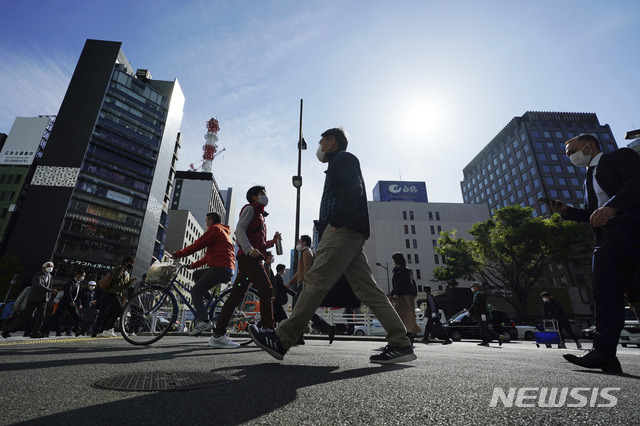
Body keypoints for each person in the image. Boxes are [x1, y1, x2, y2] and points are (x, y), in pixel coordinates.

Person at [249, 127, 416, 364]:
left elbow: (353, 189)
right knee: (368, 289)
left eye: (321, 142)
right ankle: (401, 343)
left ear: (331, 141)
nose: (319, 147)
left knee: (315, 280)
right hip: (349, 232)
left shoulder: (344, 158)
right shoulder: (338, 163)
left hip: (342, 230)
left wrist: (336, 222)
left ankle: (281, 338)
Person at [544, 134, 640, 374]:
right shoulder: (588, 179)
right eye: (567, 155)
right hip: (606, 240)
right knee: (605, 294)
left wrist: (613, 206)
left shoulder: (619, 157)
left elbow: (636, 182)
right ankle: (604, 353)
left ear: (590, 145)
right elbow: (591, 213)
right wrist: (566, 211)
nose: (570, 157)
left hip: (633, 230)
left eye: (572, 151)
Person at [210, 186, 280, 349]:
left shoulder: (260, 215)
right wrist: (248, 249)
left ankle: (218, 334)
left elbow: (260, 244)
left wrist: (273, 241)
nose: (265, 196)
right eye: (262, 193)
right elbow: (239, 229)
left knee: (236, 295)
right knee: (267, 290)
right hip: (249, 259)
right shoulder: (250, 209)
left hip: (250, 258)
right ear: (254, 197)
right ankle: (268, 331)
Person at [172, 212, 235, 338]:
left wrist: (179, 254)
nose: (206, 223)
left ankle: (205, 321)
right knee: (196, 274)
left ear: (210, 221)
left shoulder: (215, 229)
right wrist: (192, 266)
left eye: (206, 220)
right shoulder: (222, 232)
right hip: (224, 267)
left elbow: (198, 245)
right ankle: (209, 300)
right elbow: (207, 257)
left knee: (195, 291)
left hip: (220, 268)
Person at [287, 235, 336, 344]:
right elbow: (300, 271)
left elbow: (307, 271)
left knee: (299, 310)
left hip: (305, 285)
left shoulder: (307, 253)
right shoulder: (304, 252)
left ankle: (300, 336)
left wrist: (305, 286)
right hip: (303, 284)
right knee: (304, 311)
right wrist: (291, 282)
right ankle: (326, 328)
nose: (297, 243)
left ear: (304, 243)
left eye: (299, 241)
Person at [2, 261, 58, 339]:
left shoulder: (50, 277)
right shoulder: (38, 275)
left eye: (52, 266)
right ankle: (6, 330)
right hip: (34, 299)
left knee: (41, 316)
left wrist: (49, 295)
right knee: (24, 316)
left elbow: (49, 285)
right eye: (49, 266)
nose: (51, 268)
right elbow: (39, 285)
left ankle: (35, 332)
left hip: (43, 300)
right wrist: (50, 290)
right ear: (43, 267)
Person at [92, 256, 136, 338]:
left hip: (119, 294)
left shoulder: (127, 273)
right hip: (112, 292)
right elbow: (115, 277)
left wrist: (129, 283)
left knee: (110, 312)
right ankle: (109, 328)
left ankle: (102, 330)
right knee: (119, 309)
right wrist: (121, 269)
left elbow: (123, 286)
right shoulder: (118, 268)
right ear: (126, 262)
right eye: (131, 263)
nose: (132, 265)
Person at [389, 252, 421, 343]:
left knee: (408, 313)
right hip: (400, 294)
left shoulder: (404, 270)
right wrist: (392, 294)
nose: (393, 261)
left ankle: (410, 332)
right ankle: (406, 332)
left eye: (394, 259)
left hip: (406, 294)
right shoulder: (397, 270)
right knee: (400, 313)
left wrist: (395, 294)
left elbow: (401, 283)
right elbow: (396, 285)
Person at [43, 270, 85, 337]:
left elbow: (78, 296)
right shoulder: (70, 283)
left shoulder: (79, 284)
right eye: (82, 275)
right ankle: (44, 331)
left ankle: (78, 331)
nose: (82, 277)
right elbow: (68, 293)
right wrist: (71, 301)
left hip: (73, 304)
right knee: (55, 317)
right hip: (65, 303)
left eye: (83, 276)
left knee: (76, 316)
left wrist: (79, 304)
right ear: (77, 275)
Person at [467, 282, 503, 347]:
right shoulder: (476, 295)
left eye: (473, 287)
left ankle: (486, 342)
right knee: (484, 328)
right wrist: (469, 311)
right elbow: (474, 305)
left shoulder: (479, 295)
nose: (472, 288)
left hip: (483, 315)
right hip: (480, 315)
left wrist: (483, 314)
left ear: (477, 288)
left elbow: (482, 305)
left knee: (483, 329)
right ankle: (498, 337)